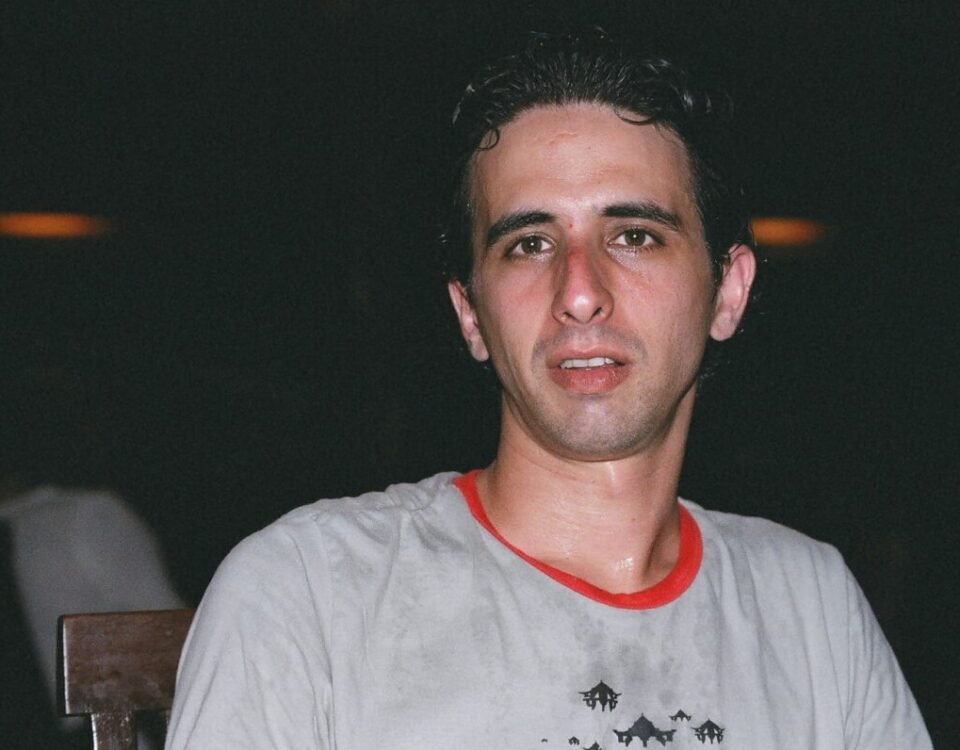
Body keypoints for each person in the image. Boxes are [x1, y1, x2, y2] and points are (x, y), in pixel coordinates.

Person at [165, 31, 931, 749]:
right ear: (471, 314)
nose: (580, 292)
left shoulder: (811, 604)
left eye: (635, 236)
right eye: (529, 244)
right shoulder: (309, 595)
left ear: (727, 292)